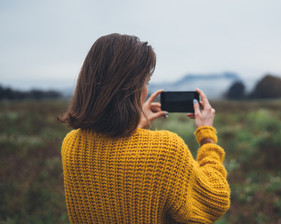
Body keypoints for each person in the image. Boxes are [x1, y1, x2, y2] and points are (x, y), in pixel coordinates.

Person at [59, 33, 230, 223]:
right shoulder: (166, 149)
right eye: (146, 82)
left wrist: (135, 126)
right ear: (132, 88)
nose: (146, 89)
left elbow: (116, 171)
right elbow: (215, 200)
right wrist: (206, 136)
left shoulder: (72, 145)